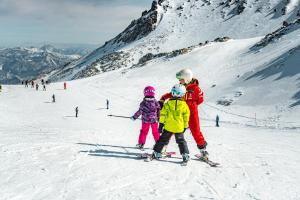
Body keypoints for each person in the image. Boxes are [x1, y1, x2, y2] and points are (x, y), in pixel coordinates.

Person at [160, 68, 209, 159]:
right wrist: (163, 98)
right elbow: (172, 94)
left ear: (187, 78)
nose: (179, 81)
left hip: (192, 114)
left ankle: (203, 151)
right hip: (179, 113)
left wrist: (191, 104)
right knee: (171, 129)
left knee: (196, 131)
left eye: (181, 79)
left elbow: (200, 100)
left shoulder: (195, 89)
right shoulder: (181, 87)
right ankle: (163, 148)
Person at [151, 84, 190, 164]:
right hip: (179, 128)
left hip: (168, 127)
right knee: (181, 141)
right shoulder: (184, 105)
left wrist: (161, 124)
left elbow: (163, 115)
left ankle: (156, 152)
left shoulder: (168, 104)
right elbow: (186, 117)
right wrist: (185, 126)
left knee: (162, 140)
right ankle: (185, 154)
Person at [131, 86, 160, 150]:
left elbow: (140, 111)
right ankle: (158, 144)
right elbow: (158, 111)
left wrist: (134, 117)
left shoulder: (143, 103)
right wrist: (159, 118)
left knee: (143, 132)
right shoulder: (156, 102)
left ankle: (141, 144)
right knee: (155, 132)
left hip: (145, 121)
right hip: (154, 120)